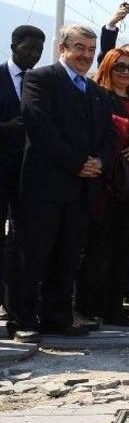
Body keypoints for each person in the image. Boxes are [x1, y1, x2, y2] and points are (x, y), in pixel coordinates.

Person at [5, 25, 115, 342]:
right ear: (62, 48)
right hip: (44, 187)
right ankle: (22, 320)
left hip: (81, 191)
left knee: (67, 257)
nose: (86, 55)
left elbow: (108, 136)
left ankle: (57, 316)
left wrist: (99, 163)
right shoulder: (40, 80)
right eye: (80, 48)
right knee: (32, 255)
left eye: (91, 50)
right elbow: (40, 127)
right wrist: (78, 162)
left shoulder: (96, 92)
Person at [75, 48, 129, 326]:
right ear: (108, 66)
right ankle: (86, 306)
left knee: (123, 248)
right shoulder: (98, 96)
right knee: (96, 248)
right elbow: (108, 129)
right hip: (104, 183)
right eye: (119, 66)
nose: (125, 72)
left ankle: (112, 305)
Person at [0, 25, 45, 314]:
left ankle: (17, 306)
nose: (34, 55)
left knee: (23, 242)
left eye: (39, 51)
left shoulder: (41, 82)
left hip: (29, 176)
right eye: (29, 49)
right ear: (14, 45)